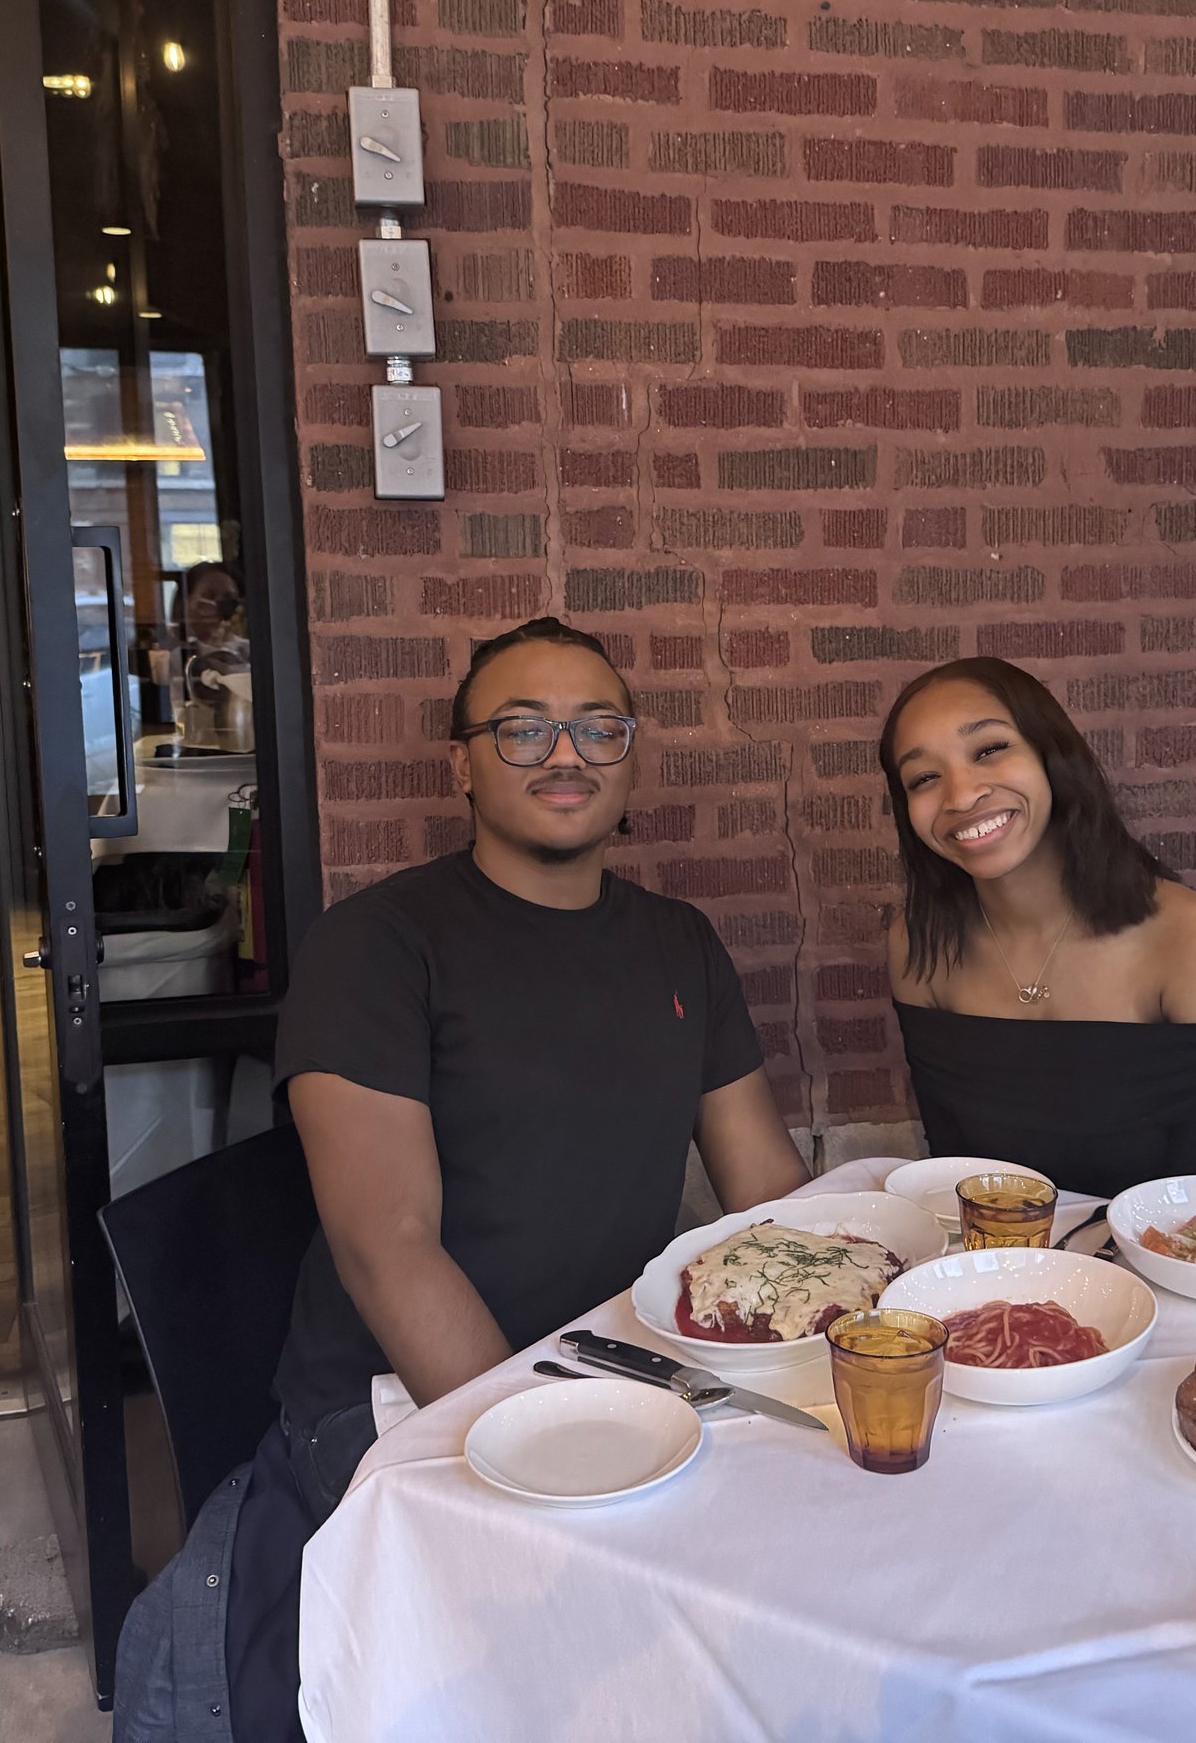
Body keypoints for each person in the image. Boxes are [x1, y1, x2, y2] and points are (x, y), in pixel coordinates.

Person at [189, 616, 808, 1741]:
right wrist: (541, 1451)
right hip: (401, 1397)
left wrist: (852, 1329)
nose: (563, 756)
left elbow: (766, 1196)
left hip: (619, 1365)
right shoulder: (378, 945)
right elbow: (389, 1246)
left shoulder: (680, 943)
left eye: (594, 728)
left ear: (632, 759)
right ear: (460, 765)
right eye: (522, 731)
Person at [877, 657, 1196, 1199]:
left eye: (989, 750)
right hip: (999, 1271)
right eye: (924, 777)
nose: (961, 795)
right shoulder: (920, 945)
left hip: (1163, 1273)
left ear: (1053, 755)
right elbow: (958, 1180)